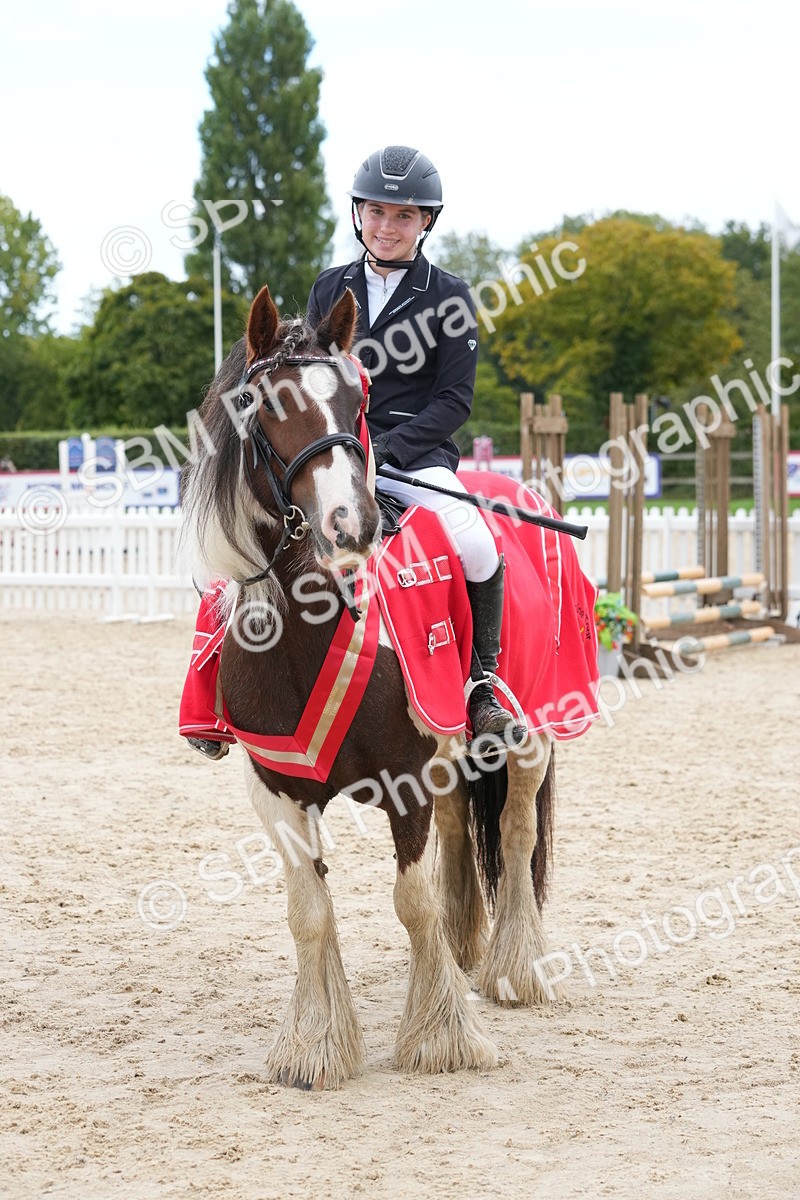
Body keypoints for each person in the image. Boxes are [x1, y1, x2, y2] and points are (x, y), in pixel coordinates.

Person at [186, 145, 523, 759]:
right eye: (376, 213)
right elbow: (313, 376)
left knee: (475, 542)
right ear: (358, 215)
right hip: (330, 449)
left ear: (426, 222)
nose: (387, 227)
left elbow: (454, 400)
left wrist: (388, 449)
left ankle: (484, 684)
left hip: (413, 455)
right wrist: (344, 448)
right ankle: (213, 694)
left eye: (403, 216)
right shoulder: (330, 286)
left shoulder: (451, 296)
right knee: (247, 538)